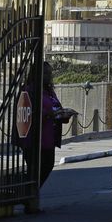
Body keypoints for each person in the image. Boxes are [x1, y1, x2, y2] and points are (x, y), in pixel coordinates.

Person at [19, 61, 75, 212]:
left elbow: (56, 107)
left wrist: (63, 114)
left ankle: (29, 196)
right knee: (34, 169)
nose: (48, 76)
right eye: (45, 73)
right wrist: (49, 114)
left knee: (47, 166)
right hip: (33, 138)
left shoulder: (50, 92)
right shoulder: (29, 90)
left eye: (50, 73)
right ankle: (28, 199)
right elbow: (27, 111)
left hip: (49, 138)